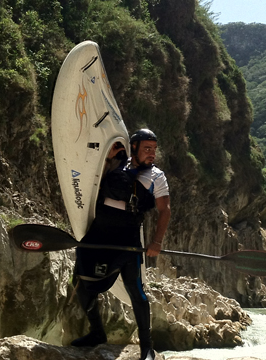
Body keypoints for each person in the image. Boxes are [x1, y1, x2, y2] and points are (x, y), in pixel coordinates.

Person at [70, 129, 171, 360]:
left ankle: (147, 348)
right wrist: (107, 158)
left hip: (128, 238)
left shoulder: (157, 176)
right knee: (82, 282)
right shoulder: (116, 164)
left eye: (154, 149)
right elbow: (90, 179)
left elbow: (164, 210)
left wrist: (156, 242)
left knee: (136, 290)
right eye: (147, 148)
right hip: (99, 233)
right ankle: (97, 333)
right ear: (133, 147)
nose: (151, 154)